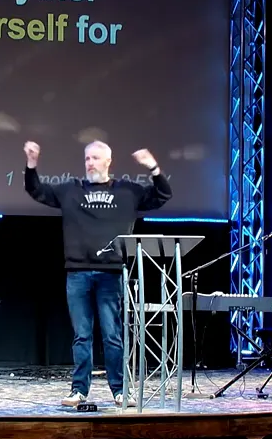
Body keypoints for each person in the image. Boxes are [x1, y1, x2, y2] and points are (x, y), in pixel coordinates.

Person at [23, 139, 171, 407]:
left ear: (108, 161)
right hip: (77, 272)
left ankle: (119, 390)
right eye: (87, 158)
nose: (90, 163)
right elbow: (36, 190)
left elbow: (161, 195)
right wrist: (32, 163)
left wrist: (153, 167)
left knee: (112, 335)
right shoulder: (71, 190)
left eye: (95, 158)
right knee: (82, 335)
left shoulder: (127, 191)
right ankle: (79, 390)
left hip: (111, 273)